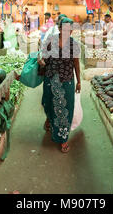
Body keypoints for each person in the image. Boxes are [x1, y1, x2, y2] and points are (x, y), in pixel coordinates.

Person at [38, 17, 81, 153]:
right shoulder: (51, 41)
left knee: (65, 109)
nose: (66, 31)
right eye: (64, 28)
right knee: (49, 103)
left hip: (66, 80)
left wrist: (79, 81)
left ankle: (63, 138)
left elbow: (76, 64)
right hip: (51, 78)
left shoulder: (75, 45)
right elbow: (43, 57)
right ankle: (49, 119)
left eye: (69, 29)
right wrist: (41, 61)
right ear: (60, 28)